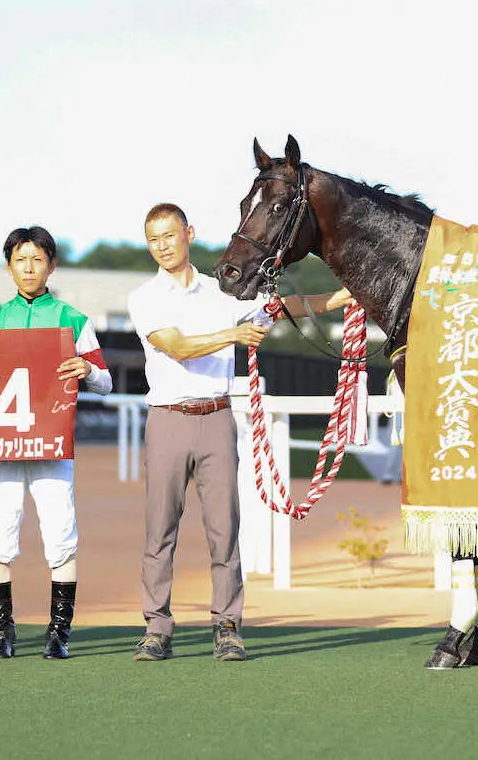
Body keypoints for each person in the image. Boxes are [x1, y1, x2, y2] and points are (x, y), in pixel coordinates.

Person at [128, 203, 351, 662]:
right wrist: (235, 335)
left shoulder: (223, 292)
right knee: (160, 530)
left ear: (188, 233)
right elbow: (178, 347)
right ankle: (156, 627)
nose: (163, 246)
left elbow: (282, 308)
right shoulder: (144, 297)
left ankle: (227, 626)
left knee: (224, 529)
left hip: (216, 420)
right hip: (167, 418)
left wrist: (346, 296)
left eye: (170, 235)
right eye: (153, 239)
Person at [0, 226, 113, 659]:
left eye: (37, 259)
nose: (29, 268)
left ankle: (58, 634)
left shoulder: (74, 320)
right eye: (20, 259)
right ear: (8, 266)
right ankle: (2, 635)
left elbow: (105, 381)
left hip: (51, 444)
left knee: (61, 534)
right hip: (4, 447)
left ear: (51, 264)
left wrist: (87, 372)